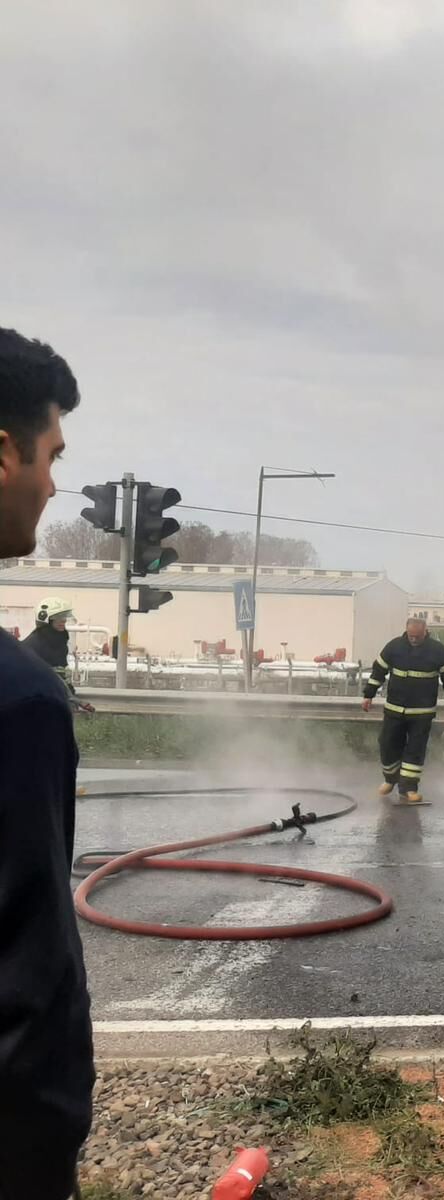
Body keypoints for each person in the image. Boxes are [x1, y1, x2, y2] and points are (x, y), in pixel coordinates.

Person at [0, 327, 93, 1199]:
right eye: (51, 454)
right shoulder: (19, 699)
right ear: (2, 451)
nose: (54, 483)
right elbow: (28, 987)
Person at [361, 617, 444, 802]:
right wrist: (368, 694)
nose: (413, 639)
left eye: (417, 636)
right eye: (410, 636)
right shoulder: (394, 647)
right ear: (406, 631)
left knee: (415, 749)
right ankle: (391, 779)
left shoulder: (438, 650)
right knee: (387, 743)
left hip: (422, 712)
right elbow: (378, 672)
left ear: (425, 631)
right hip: (394, 709)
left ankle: (409, 788)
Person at [22, 596, 96, 714]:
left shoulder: (59, 641)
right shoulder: (33, 643)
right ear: (46, 619)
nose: (63, 621)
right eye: (58, 617)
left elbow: (59, 673)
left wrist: (69, 692)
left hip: (56, 699)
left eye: (64, 617)